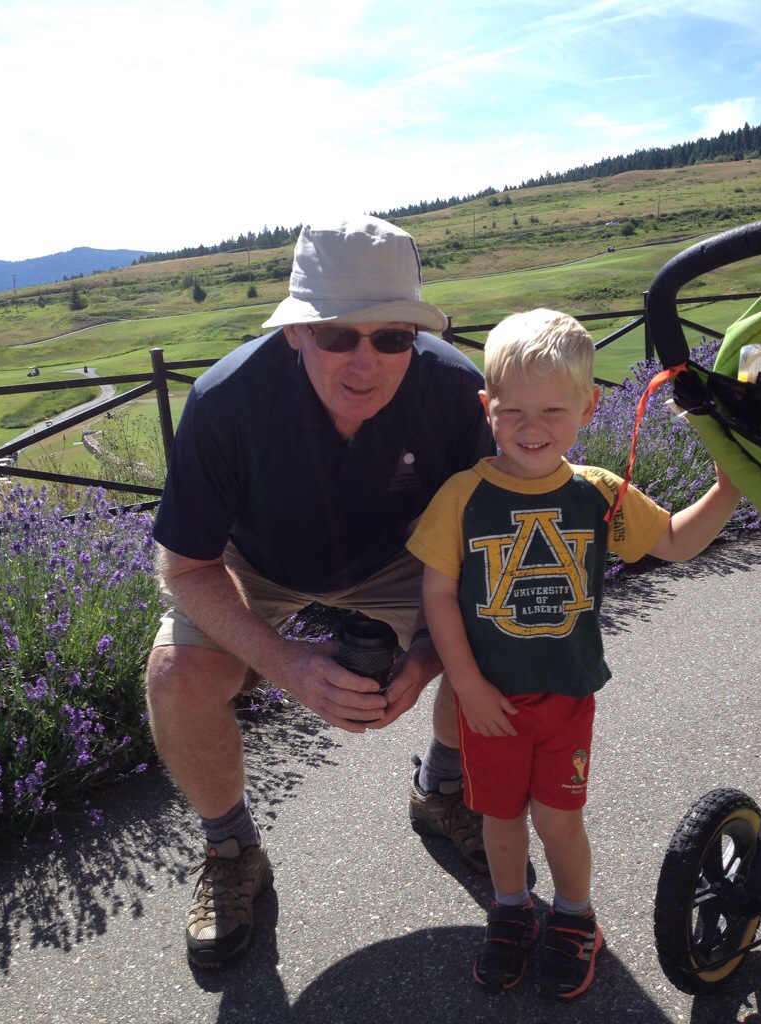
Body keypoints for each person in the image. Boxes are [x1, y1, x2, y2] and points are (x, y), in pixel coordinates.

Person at [145, 215, 495, 969]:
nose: (366, 363)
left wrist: (428, 656)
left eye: (392, 337)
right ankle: (231, 848)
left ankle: (443, 788)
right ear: (296, 333)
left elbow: (481, 548)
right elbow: (186, 567)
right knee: (177, 676)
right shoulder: (225, 402)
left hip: (408, 556)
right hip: (260, 564)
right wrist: (289, 665)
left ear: (415, 336)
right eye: (338, 336)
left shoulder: (457, 391)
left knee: (503, 631)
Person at [406, 308, 742, 1000]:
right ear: (487, 407)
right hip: (488, 701)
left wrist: (728, 487)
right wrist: (466, 686)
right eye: (513, 411)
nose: (531, 427)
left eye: (553, 411)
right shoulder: (462, 497)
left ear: (590, 408)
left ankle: (574, 916)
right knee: (500, 819)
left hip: (564, 699)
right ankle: (510, 910)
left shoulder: (597, 493)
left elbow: (674, 541)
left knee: (558, 820)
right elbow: (437, 596)